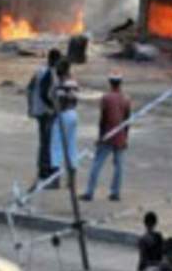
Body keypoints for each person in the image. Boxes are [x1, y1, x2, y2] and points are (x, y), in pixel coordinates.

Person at [83, 73, 131, 201]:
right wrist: (125, 138)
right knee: (119, 166)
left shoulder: (106, 98)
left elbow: (103, 119)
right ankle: (115, 193)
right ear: (120, 83)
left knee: (97, 164)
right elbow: (127, 121)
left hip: (108, 135)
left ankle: (89, 192)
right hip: (120, 136)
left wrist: (100, 136)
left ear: (110, 83)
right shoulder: (126, 99)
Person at [27, 49, 61, 186]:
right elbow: (44, 93)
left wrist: (30, 107)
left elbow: (29, 89)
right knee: (48, 143)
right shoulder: (50, 73)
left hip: (38, 111)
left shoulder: (39, 70)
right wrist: (53, 107)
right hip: (46, 113)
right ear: (55, 60)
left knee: (44, 142)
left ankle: (42, 170)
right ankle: (46, 171)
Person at [50, 81, 80, 175]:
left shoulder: (60, 85)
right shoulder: (72, 82)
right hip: (73, 114)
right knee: (71, 144)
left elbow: (58, 102)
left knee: (56, 145)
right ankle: (72, 172)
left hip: (63, 114)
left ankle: (56, 176)